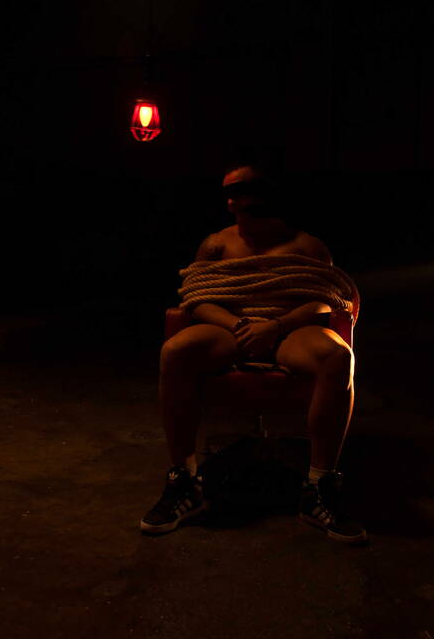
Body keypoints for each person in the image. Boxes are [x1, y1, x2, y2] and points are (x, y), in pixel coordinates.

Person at [141, 152, 367, 544]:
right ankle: (184, 481)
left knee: (337, 355)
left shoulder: (307, 246)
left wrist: (276, 326)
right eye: (228, 194)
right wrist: (239, 325)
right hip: (232, 329)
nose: (232, 202)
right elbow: (196, 298)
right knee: (175, 351)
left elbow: (325, 298)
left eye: (242, 191)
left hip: (288, 329)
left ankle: (320, 486)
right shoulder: (216, 244)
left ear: (268, 192)